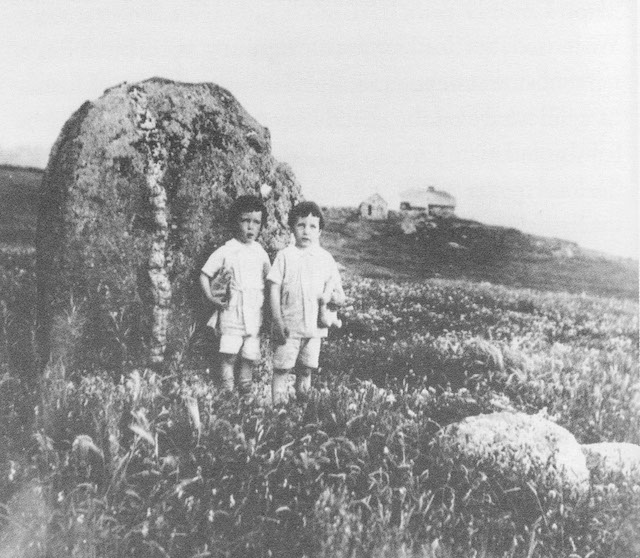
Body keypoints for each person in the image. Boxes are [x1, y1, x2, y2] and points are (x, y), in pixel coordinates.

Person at [267, 201, 345, 404]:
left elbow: (337, 291)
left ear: (319, 231)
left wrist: (334, 300)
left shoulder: (325, 258)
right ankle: (278, 408)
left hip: (314, 329)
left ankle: (303, 406)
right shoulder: (285, 256)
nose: (306, 231)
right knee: (282, 368)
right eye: (301, 225)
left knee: (307, 368)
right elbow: (273, 287)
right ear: (292, 227)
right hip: (289, 326)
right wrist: (277, 320)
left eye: (312, 226)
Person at [200, 195, 270, 397]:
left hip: (254, 311)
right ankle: (227, 387)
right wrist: (211, 297)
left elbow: (270, 279)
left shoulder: (260, 252)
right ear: (235, 221)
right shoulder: (226, 250)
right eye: (245, 220)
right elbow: (204, 275)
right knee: (229, 352)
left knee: (249, 353)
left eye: (256, 222)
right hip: (232, 310)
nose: (250, 227)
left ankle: (246, 386)